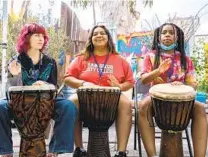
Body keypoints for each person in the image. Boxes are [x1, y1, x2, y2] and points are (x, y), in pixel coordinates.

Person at [0, 23, 77, 157]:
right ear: (27, 38)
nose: (41, 38)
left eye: (43, 36)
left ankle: (55, 149)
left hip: (46, 102)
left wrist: (45, 85)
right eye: (36, 35)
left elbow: (54, 88)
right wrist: (15, 75)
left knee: (68, 106)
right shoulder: (15, 61)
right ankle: (5, 151)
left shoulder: (50, 62)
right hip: (19, 103)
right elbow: (9, 91)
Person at [64, 25, 134, 157]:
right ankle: (79, 148)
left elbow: (130, 82)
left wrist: (119, 86)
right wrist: (83, 83)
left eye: (102, 33)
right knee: (70, 104)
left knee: (127, 104)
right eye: (95, 34)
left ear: (108, 38)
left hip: (113, 96)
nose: (99, 35)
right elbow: (67, 78)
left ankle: (121, 152)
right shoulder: (81, 58)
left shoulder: (120, 60)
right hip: (85, 95)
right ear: (91, 39)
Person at [138, 23, 208, 157]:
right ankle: (152, 155)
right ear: (159, 37)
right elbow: (144, 80)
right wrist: (158, 71)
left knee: (199, 109)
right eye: (164, 32)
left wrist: (183, 86)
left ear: (176, 38)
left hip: (182, 101)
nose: (167, 35)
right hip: (155, 100)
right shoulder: (151, 56)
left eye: (171, 32)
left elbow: (192, 85)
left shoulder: (185, 59)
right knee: (143, 107)